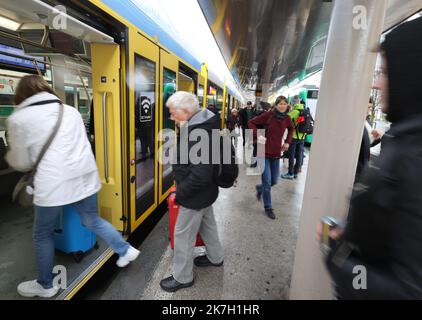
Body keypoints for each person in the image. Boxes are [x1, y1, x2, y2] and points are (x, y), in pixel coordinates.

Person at [5, 75, 139, 298]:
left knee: (42, 234)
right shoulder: (70, 111)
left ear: (21, 95)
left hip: (52, 183)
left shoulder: (19, 118)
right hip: (85, 176)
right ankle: (126, 249)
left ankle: (46, 285)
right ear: (46, 89)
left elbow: (21, 162)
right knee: (91, 220)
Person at [317, 17, 422, 299]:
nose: (376, 84)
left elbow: (408, 291)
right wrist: (348, 232)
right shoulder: (405, 140)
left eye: (385, 73)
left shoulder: (414, 155)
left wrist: (337, 258)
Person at [160, 91, 224, 292]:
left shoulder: (199, 133)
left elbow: (201, 174)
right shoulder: (202, 124)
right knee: (208, 226)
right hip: (206, 193)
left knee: (182, 235)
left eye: (173, 113)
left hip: (195, 195)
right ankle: (216, 257)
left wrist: (181, 193)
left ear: (185, 111)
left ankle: (183, 277)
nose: (171, 118)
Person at [248, 96, 293, 219]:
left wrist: (287, 142)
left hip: (276, 153)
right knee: (267, 181)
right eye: (280, 103)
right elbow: (251, 122)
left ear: (287, 105)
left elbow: (291, 129)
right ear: (276, 105)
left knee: (274, 180)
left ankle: (260, 188)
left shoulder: (287, 119)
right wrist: (258, 135)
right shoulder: (269, 116)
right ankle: (268, 207)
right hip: (263, 153)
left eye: (284, 104)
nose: (282, 106)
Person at [281, 102, 307, 179]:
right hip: (302, 137)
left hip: (294, 137)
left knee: (291, 155)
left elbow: (284, 119)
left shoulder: (295, 111)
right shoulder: (305, 110)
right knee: (299, 155)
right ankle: (296, 173)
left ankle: (290, 173)